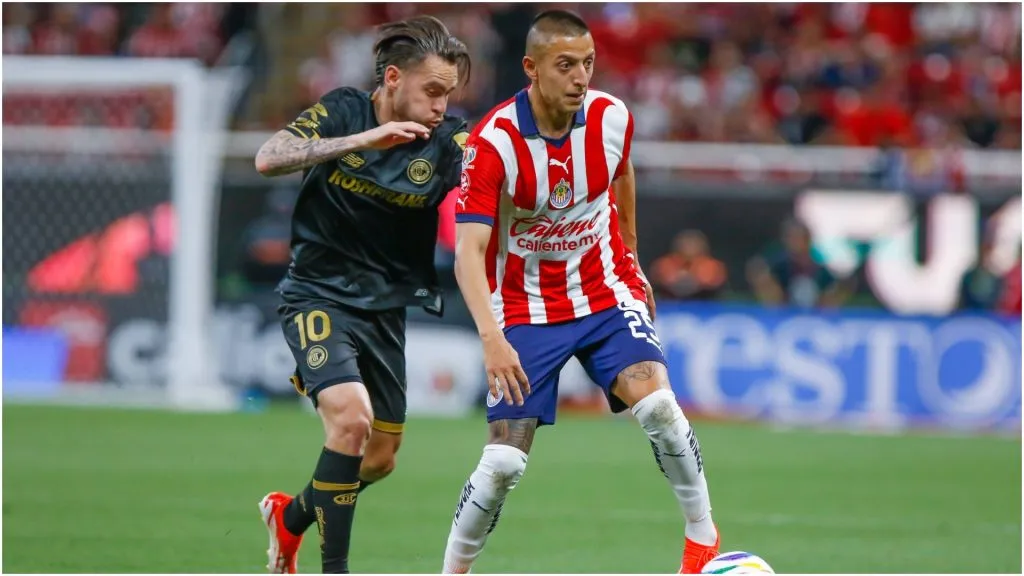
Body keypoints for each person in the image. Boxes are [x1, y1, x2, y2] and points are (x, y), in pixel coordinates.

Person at [440, 10, 720, 575]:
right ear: (531, 68)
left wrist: (634, 263)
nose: (580, 77)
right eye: (565, 65)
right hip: (522, 308)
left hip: (603, 289)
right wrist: (491, 338)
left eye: (587, 63)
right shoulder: (494, 143)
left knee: (661, 408)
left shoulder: (612, 117)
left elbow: (622, 173)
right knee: (501, 466)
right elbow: (468, 252)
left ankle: (702, 541)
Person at [252, 15, 471, 574]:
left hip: (384, 310)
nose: (442, 105)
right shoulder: (345, 110)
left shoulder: (448, 142)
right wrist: (364, 139)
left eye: (449, 94)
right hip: (316, 295)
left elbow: (500, 167)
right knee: (350, 421)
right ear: (393, 78)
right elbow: (269, 157)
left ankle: (290, 518)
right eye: (433, 91)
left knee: (377, 459)